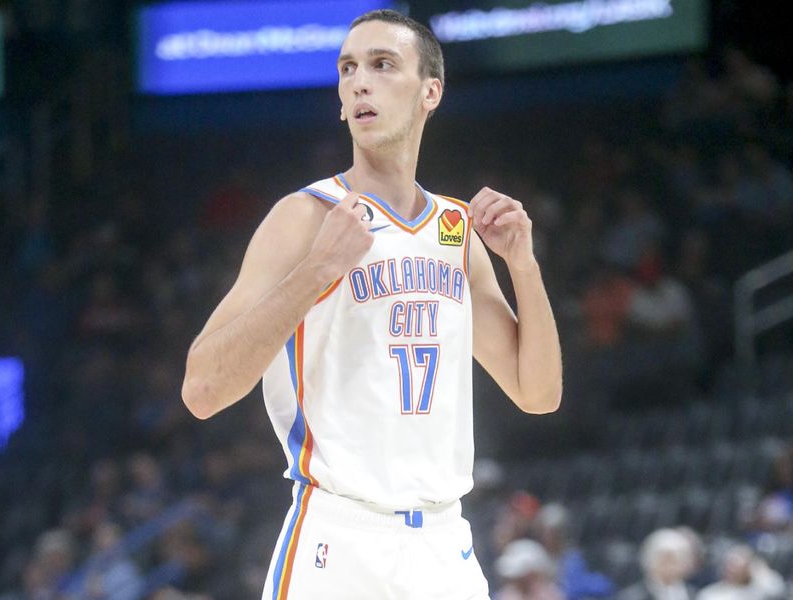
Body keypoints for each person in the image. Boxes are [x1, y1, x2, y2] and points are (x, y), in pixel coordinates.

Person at [181, 9, 562, 600]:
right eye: (348, 69)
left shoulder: (456, 230)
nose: (360, 81)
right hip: (338, 540)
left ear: (429, 91)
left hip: (444, 544)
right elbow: (202, 390)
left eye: (383, 65)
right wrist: (318, 271)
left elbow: (538, 395)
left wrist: (524, 266)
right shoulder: (305, 216)